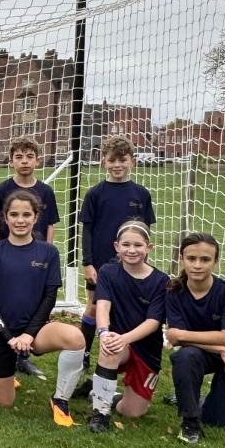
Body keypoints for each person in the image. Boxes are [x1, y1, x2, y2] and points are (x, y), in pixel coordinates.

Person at [0, 191, 86, 425]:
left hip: (34, 331)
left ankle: (60, 399)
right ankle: (8, 370)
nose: (20, 220)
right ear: (5, 218)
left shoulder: (48, 252)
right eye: (14, 214)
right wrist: (9, 337)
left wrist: (28, 333)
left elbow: (49, 298)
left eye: (26, 214)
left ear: (36, 217)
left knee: (75, 338)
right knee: (4, 402)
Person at [164, 231, 225, 444]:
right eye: (191, 259)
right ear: (181, 259)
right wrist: (222, 349)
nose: (197, 265)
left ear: (216, 261)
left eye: (205, 259)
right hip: (206, 353)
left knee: (217, 420)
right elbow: (178, 341)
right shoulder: (174, 292)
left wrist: (224, 347)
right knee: (185, 358)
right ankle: (190, 423)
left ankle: (195, 398)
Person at [78, 136, 157, 382]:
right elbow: (88, 230)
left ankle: (124, 352)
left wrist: (142, 258)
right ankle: (83, 353)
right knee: (94, 307)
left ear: (132, 161)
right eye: (112, 160)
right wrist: (88, 262)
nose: (117, 165)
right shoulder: (95, 194)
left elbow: (145, 231)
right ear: (103, 162)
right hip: (101, 262)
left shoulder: (141, 194)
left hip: (131, 262)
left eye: (122, 160)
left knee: (123, 308)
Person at [85, 221, 169, 433]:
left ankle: (103, 391)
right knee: (109, 346)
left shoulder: (161, 280)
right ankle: (100, 413)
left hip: (146, 349)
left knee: (132, 412)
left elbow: (153, 322)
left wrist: (125, 338)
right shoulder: (108, 271)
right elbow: (103, 306)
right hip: (119, 342)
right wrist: (104, 333)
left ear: (148, 248)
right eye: (126, 244)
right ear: (117, 246)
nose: (132, 250)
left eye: (138, 245)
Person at [0, 138, 59, 380]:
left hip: (36, 260)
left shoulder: (46, 191)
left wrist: (47, 253)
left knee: (31, 303)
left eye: (29, 156)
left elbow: (50, 224)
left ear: (38, 161)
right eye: (19, 157)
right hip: (7, 258)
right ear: (11, 162)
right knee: (6, 302)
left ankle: (24, 357)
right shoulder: (0, 190)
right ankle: (4, 350)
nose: (24, 161)